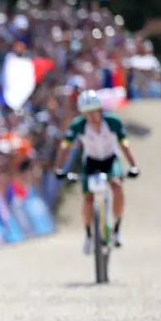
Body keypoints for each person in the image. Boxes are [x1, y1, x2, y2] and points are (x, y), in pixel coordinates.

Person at [54, 90, 140, 254]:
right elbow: (66, 146)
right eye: (87, 113)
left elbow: (124, 144)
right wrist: (59, 168)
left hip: (110, 160)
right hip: (91, 162)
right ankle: (88, 235)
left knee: (117, 186)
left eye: (94, 111)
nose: (92, 116)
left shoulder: (113, 121)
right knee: (88, 198)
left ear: (100, 109)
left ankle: (117, 230)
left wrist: (133, 166)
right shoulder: (78, 125)